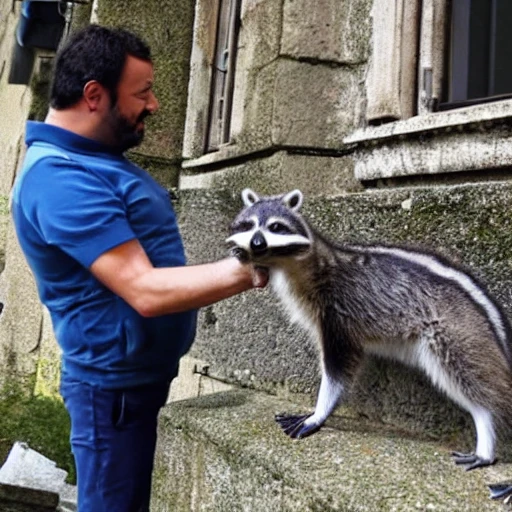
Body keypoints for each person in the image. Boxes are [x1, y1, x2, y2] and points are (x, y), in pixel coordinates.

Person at [11, 24, 267, 512]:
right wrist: (253, 267)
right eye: (143, 92)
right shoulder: (59, 178)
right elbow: (144, 290)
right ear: (93, 95)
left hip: (130, 387)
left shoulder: (89, 159)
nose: (152, 105)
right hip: (112, 395)